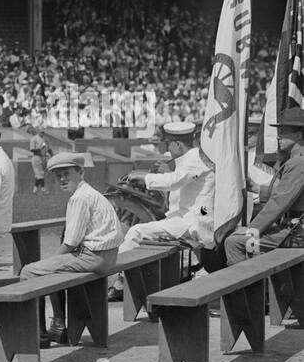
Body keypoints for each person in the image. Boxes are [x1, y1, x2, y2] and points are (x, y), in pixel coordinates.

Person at [20, 152, 123, 347]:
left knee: (29, 272)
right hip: (107, 257)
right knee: (52, 268)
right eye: (58, 175)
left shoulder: (79, 198)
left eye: (66, 173)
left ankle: (40, 335)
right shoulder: (90, 192)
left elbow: (71, 243)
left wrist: (49, 262)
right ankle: (58, 325)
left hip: (95, 258)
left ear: (81, 172)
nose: (62, 179)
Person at [107, 120, 213, 299]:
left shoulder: (194, 157)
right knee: (148, 233)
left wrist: (142, 177)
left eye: (168, 145)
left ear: (178, 144)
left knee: (136, 232)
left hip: (196, 220)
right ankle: (197, 270)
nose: (168, 150)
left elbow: (174, 182)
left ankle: (119, 282)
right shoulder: (191, 157)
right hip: (191, 217)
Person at [224, 108, 304, 266]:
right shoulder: (297, 160)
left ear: (298, 135)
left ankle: (245, 289)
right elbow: (287, 193)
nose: (278, 136)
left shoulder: (298, 163)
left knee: (235, 243)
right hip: (293, 228)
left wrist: (252, 230)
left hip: (296, 233)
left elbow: (279, 202)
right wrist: (256, 188)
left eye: (284, 131)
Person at [28, 129, 50, 194]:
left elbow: (46, 150)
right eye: (41, 132)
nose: (42, 133)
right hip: (36, 157)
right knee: (40, 174)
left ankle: (35, 190)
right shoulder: (34, 138)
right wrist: (41, 149)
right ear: (38, 131)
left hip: (41, 158)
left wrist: (47, 154)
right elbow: (32, 149)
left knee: (38, 175)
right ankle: (43, 189)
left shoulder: (43, 139)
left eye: (43, 132)